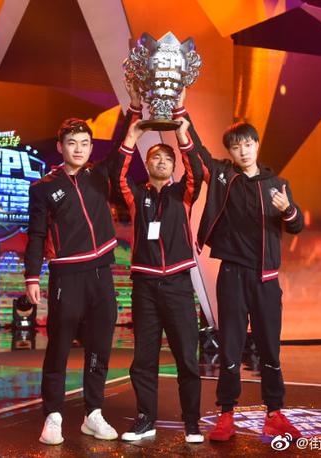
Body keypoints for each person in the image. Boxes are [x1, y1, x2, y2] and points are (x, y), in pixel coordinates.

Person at [185, 115, 304, 441]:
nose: (243, 151)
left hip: (266, 278)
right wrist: (183, 117)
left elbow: (297, 225)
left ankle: (274, 414)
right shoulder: (225, 176)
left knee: (270, 349)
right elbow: (198, 152)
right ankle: (226, 415)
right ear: (231, 152)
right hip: (232, 275)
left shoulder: (277, 184)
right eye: (236, 147)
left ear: (257, 145)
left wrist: (288, 209)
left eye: (248, 144)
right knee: (230, 347)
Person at [24, 107, 136, 445]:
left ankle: (94, 413)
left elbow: (123, 145)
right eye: (72, 143)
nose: (79, 149)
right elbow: (36, 235)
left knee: (100, 346)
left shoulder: (99, 175)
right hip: (66, 277)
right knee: (59, 347)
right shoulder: (43, 188)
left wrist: (133, 108)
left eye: (85, 143)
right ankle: (53, 416)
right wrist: (32, 276)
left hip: (101, 273)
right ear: (61, 146)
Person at [115, 85, 205, 443]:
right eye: (155, 157)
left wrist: (182, 135)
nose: (162, 161)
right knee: (144, 359)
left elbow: (197, 170)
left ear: (173, 166)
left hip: (179, 285)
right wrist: (131, 136)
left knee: (187, 358)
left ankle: (192, 423)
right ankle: (145, 419)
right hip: (145, 287)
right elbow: (117, 175)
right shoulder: (135, 195)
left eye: (167, 158)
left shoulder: (184, 194)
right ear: (148, 163)